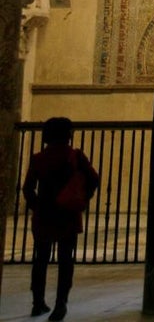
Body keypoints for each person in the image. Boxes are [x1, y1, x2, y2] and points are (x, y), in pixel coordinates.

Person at [22, 117, 100, 321]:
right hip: (67, 213)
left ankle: (37, 302)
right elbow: (94, 179)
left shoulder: (38, 158)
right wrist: (82, 198)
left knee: (40, 259)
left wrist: (36, 206)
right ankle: (60, 304)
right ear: (68, 134)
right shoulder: (75, 156)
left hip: (45, 214)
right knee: (66, 260)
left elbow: (27, 188)